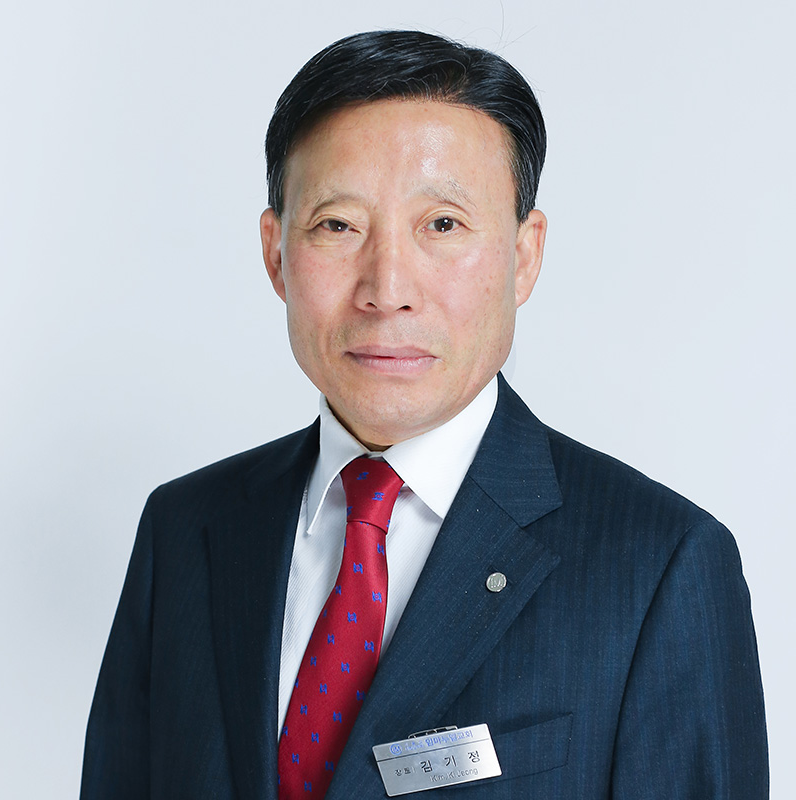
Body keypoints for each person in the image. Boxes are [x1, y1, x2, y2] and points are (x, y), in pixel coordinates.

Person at [80, 30, 767, 799]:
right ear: (275, 253)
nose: (387, 289)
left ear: (524, 255)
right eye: (338, 225)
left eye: (442, 225)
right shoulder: (187, 529)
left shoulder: (660, 566)